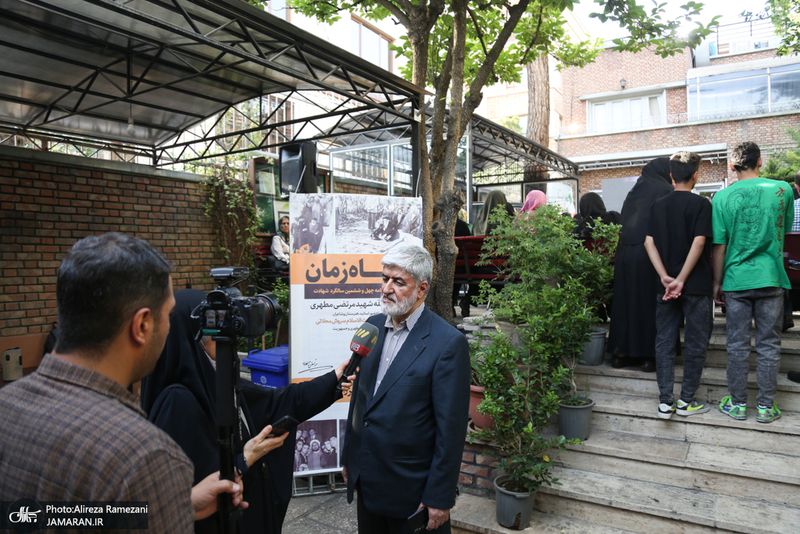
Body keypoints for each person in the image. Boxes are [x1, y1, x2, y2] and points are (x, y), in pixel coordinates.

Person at [0, 233, 244, 533]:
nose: (169, 327)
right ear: (142, 325)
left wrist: (180, 503)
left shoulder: (6, 405)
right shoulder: (144, 457)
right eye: (167, 314)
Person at [140, 289, 354, 534]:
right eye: (213, 325)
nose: (224, 333)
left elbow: (276, 402)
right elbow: (182, 500)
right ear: (191, 335)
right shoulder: (177, 402)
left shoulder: (217, 379)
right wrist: (245, 459)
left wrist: (333, 380)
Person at [342, 243, 470, 534]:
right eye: (385, 278)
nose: (387, 288)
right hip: (369, 482)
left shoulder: (447, 343)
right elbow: (360, 402)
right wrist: (350, 456)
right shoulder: (372, 327)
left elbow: (450, 431)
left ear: (422, 289)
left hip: (412, 492)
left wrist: (440, 496)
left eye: (398, 282)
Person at [712, 141, 793, 424]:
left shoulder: (721, 198)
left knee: (737, 345)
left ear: (732, 167)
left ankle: (736, 405)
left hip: (736, 281)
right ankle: (765, 407)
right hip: (771, 277)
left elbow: (719, 246)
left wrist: (716, 283)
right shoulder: (783, 190)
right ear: (760, 161)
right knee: (770, 344)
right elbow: (782, 232)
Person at [643, 152, 714, 419]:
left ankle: (665, 402)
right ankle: (686, 401)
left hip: (666, 288)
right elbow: (699, 243)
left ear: (671, 176)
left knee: (664, 343)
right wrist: (683, 279)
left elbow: (648, 242)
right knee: (696, 343)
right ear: (696, 175)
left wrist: (666, 278)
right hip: (695, 286)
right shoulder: (702, 205)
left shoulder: (658, 205)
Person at [607, 157, 674, 372]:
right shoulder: (665, 189)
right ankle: (648, 356)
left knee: (625, 302)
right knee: (647, 303)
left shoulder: (635, 190)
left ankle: (620, 353)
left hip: (625, 253)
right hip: (650, 253)